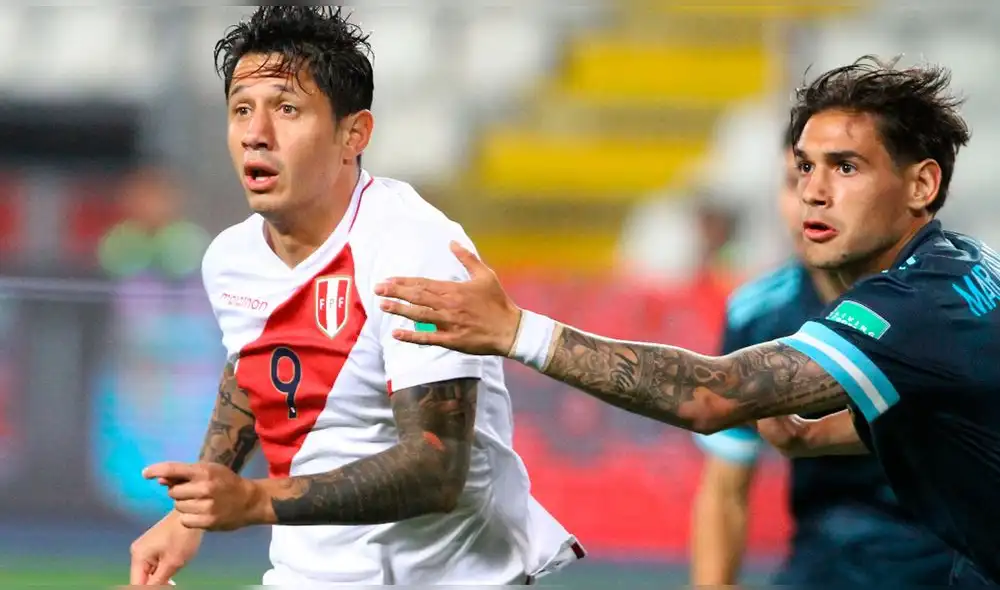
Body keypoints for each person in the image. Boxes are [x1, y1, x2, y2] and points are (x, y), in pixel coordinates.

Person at [374, 56, 1000, 585]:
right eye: (805, 167)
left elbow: (709, 396)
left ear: (922, 185)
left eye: (846, 167)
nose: (814, 190)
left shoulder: (913, 305)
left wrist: (518, 332)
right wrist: (819, 437)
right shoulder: (961, 268)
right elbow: (957, 408)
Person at [127, 6, 583, 586]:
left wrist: (254, 500)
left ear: (354, 134)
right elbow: (251, 364)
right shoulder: (231, 259)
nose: (255, 134)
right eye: (241, 110)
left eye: (286, 109)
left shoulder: (415, 249)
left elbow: (436, 469)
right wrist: (188, 517)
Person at [690, 127, 952, 586]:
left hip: (951, 559)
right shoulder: (757, 315)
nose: (811, 197)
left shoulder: (947, 297)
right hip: (827, 561)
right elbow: (725, 489)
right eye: (796, 179)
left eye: (842, 173)